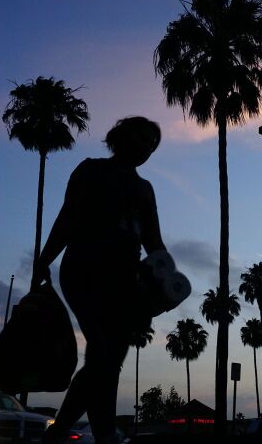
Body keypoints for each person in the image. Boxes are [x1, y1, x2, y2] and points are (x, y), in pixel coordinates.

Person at [37, 117, 166, 444]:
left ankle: (66, 432)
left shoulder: (145, 188)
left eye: (152, 144)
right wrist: (45, 259)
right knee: (103, 355)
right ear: (119, 137)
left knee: (105, 361)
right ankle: (103, 432)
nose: (146, 147)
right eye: (140, 138)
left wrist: (169, 280)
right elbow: (68, 216)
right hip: (84, 269)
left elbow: (153, 241)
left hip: (125, 281)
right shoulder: (92, 170)